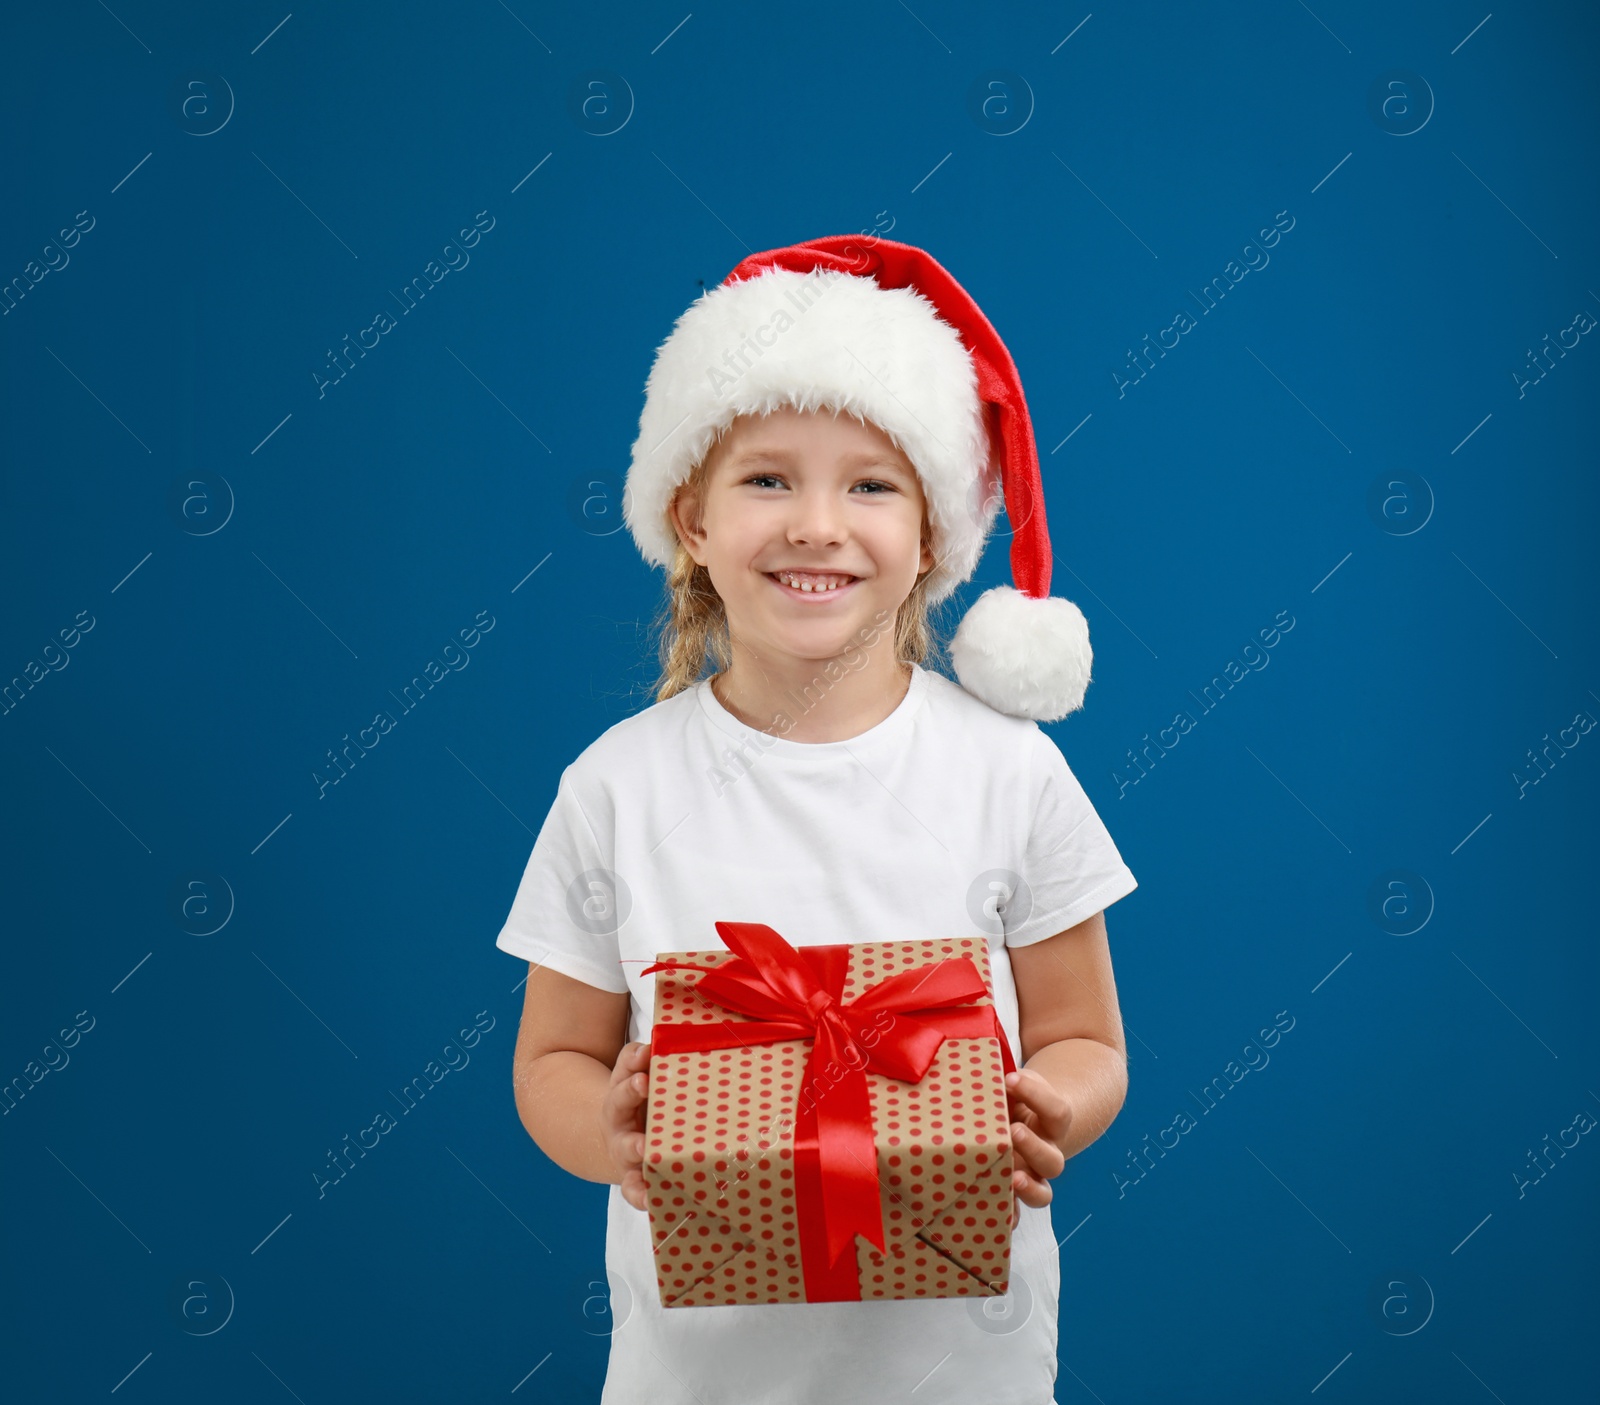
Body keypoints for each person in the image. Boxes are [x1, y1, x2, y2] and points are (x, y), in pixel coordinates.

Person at [496, 235, 1138, 1405]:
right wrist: (613, 1133)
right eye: (767, 478)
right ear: (689, 519)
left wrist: (1055, 1106)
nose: (817, 525)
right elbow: (550, 1060)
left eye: (871, 484)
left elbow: (1088, 1039)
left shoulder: (1012, 773)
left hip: (966, 1375)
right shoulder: (616, 786)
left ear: (935, 534)